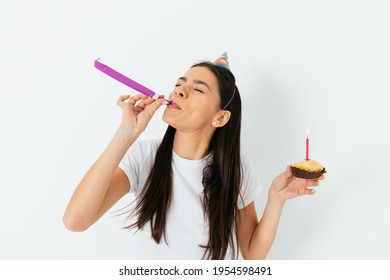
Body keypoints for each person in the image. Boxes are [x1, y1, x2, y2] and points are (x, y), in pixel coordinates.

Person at [63, 53, 325, 260]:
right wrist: (126, 134)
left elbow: (252, 255)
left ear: (221, 117)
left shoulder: (237, 168)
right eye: (179, 84)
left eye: (197, 89)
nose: (178, 91)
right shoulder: (145, 157)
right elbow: (75, 221)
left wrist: (276, 199)